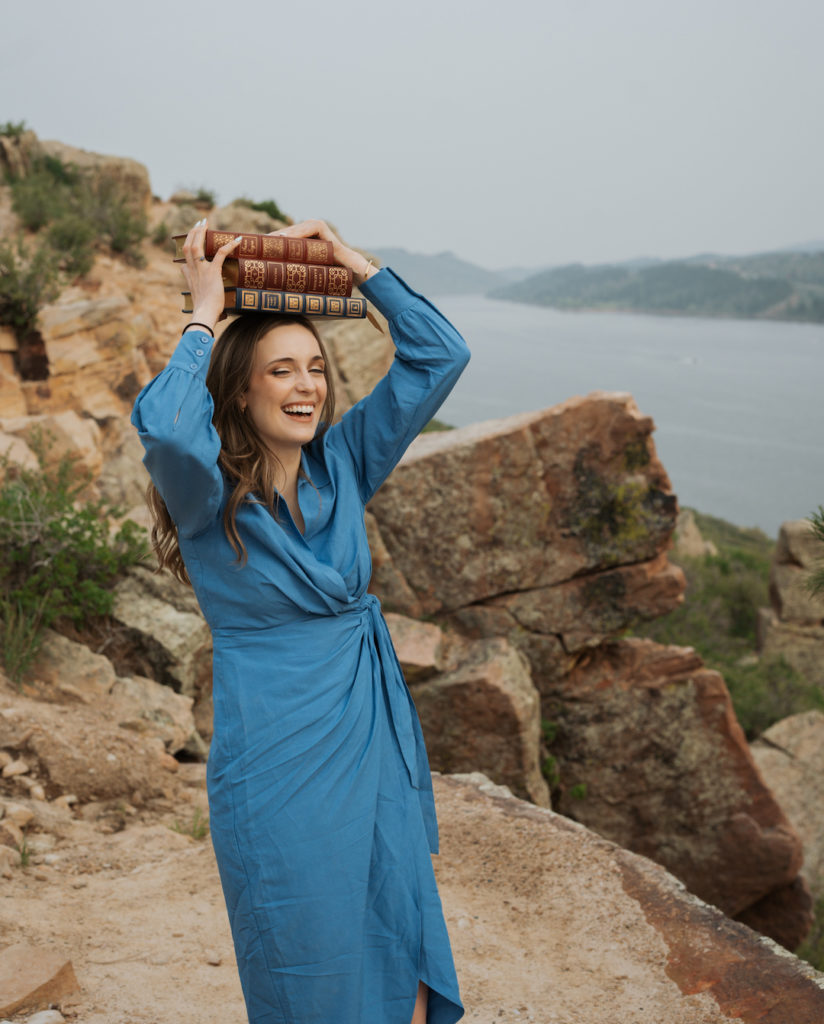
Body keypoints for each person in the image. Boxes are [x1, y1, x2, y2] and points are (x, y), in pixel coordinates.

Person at [131, 218, 470, 1024]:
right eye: (280, 370)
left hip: (368, 738)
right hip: (277, 763)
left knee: (403, 950)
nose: (306, 385)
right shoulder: (209, 498)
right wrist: (203, 313)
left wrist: (354, 267)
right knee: (307, 964)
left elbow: (440, 356)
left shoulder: (344, 462)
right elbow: (167, 430)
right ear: (240, 389)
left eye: (315, 369)